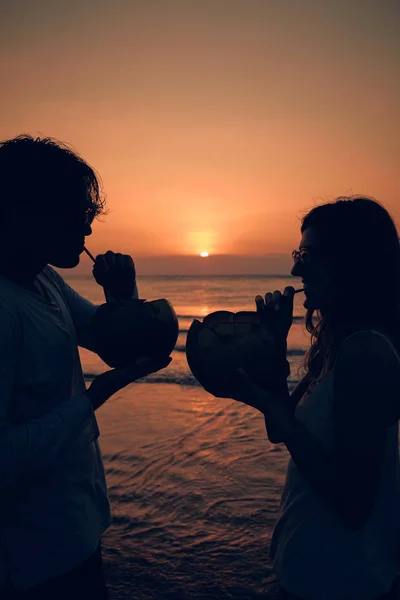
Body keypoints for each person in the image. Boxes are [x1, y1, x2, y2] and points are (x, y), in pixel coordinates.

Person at [0, 135, 170, 599]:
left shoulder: (43, 277)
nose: (88, 232)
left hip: (77, 529)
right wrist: (93, 399)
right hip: (32, 563)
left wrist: (122, 296)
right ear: (27, 212)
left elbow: (114, 344)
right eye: (79, 217)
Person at [218, 197, 400, 599]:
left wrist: (265, 401)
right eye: (296, 254)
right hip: (310, 577)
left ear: (351, 265)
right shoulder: (335, 345)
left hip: (345, 583)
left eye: (308, 255)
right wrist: (275, 347)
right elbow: (279, 430)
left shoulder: (366, 354)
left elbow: (353, 504)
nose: (296, 267)